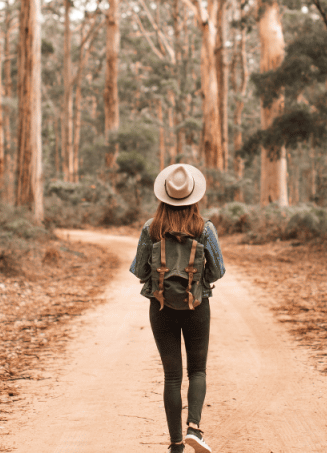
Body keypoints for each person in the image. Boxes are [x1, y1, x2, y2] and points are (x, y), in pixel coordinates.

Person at [130, 163, 225, 453]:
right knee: (197, 371)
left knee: (172, 376)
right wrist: (199, 284)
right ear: (194, 197)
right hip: (197, 305)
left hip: (160, 308)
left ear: (164, 196)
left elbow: (140, 271)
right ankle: (194, 429)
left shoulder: (151, 228)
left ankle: (175, 446)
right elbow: (218, 270)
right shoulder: (204, 229)